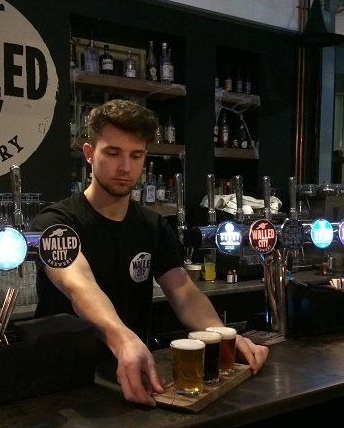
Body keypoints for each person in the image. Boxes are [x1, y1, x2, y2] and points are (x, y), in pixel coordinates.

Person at [31, 99, 268, 407]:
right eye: (113, 153)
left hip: (132, 374)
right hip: (59, 383)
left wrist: (222, 333)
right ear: (89, 154)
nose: (125, 167)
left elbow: (183, 293)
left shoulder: (153, 227)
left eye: (136, 155)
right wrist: (124, 338)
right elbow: (80, 285)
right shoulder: (56, 224)